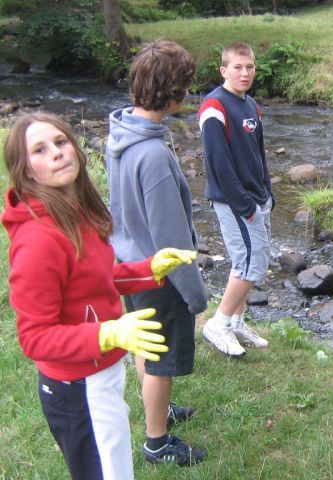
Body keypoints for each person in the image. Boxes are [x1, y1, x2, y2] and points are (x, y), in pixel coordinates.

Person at [2, 112, 197, 479]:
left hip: (99, 376)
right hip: (78, 390)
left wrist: (147, 269)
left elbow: (95, 279)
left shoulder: (73, 211)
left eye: (60, 142)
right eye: (40, 150)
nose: (57, 153)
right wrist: (107, 333)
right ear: (26, 171)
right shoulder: (38, 241)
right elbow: (33, 337)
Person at [106, 39, 208, 466]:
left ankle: (157, 408)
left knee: (146, 347)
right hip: (158, 275)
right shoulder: (152, 155)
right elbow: (172, 242)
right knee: (160, 358)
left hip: (128, 265)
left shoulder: (122, 133)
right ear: (175, 94)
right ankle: (157, 442)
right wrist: (195, 295)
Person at [198, 41, 274, 357]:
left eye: (250, 67)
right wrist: (245, 205)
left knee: (244, 262)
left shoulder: (250, 105)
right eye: (238, 67)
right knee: (253, 264)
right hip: (235, 203)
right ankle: (218, 324)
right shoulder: (214, 107)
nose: (245, 73)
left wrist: (268, 192)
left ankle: (237, 322)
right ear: (223, 70)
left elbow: (258, 153)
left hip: (258, 199)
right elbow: (219, 163)